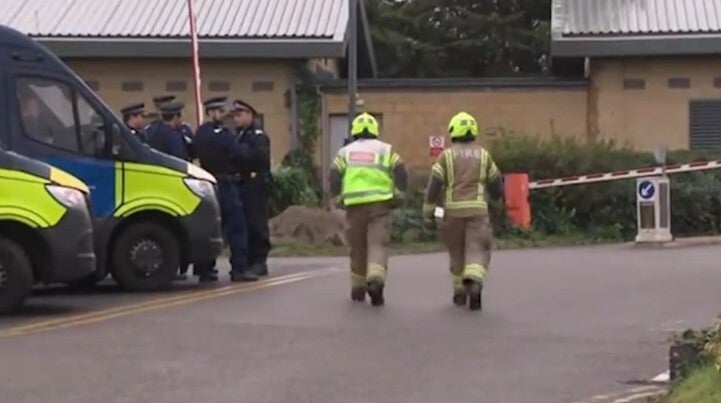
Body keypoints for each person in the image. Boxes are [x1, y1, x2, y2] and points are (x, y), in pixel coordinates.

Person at [421, 111, 504, 312]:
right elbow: (496, 185)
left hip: (452, 214)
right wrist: (496, 202)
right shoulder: (484, 155)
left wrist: (428, 211)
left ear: (453, 131)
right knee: (477, 248)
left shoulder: (446, 156)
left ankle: (459, 290)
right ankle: (474, 281)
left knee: (456, 252)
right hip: (477, 212)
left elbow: (434, 185)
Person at [327, 112, 407, 306]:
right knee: (378, 245)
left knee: (357, 247)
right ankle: (376, 279)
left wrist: (337, 198)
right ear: (375, 131)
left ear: (354, 131)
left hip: (354, 207)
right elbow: (400, 170)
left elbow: (334, 174)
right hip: (380, 205)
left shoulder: (345, 152)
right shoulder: (386, 150)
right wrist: (399, 194)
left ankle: (358, 288)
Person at [194, 96, 259, 283]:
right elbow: (242, 153)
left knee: (211, 227)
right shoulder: (222, 135)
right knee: (237, 227)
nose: (225, 115)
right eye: (221, 111)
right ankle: (239, 268)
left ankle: (206, 270)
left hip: (207, 185)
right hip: (225, 183)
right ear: (211, 113)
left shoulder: (200, 133)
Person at [231, 99, 272, 277]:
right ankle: (245, 260)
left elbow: (257, 157)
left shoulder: (258, 136)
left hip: (255, 184)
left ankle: (259, 261)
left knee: (256, 223)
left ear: (249, 114)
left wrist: (237, 150)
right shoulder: (236, 135)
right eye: (234, 115)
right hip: (240, 183)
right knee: (243, 224)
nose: (235, 119)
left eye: (239, 115)